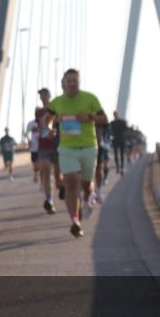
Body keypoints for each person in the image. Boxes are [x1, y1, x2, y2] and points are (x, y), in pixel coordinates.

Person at [42, 69, 108, 237]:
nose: (72, 83)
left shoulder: (90, 98)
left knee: (86, 184)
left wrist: (90, 117)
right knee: (71, 182)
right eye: (69, 81)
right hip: (67, 148)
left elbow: (104, 119)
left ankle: (88, 196)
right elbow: (47, 120)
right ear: (64, 83)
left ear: (79, 82)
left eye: (75, 80)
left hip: (88, 147)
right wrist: (49, 129)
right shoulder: (57, 102)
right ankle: (75, 221)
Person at [34, 88, 59, 213]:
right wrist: (37, 129)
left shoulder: (57, 108)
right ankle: (49, 200)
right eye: (40, 95)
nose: (42, 97)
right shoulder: (38, 112)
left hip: (56, 144)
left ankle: (59, 185)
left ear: (49, 95)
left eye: (44, 95)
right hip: (43, 145)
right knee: (46, 170)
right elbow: (39, 126)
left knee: (58, 176)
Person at [111, 110, 128, 175]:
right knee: (116, 154)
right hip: (116, 140)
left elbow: (126, 129)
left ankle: (121, 167)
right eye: (114, 114)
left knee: (121, 154)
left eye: (115, 114)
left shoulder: (121, 122)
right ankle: (118, 167)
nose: (115, 115)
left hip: (120, 139)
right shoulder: (112, 123)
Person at [26, 118, 40, 183]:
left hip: (42, 146)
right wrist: (29, 140)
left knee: (41, 163)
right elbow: (26, 133)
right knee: (35, 163)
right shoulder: (30, 123)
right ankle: (36, 174)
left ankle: (41, 178)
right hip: (34, 147)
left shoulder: (44, 121)